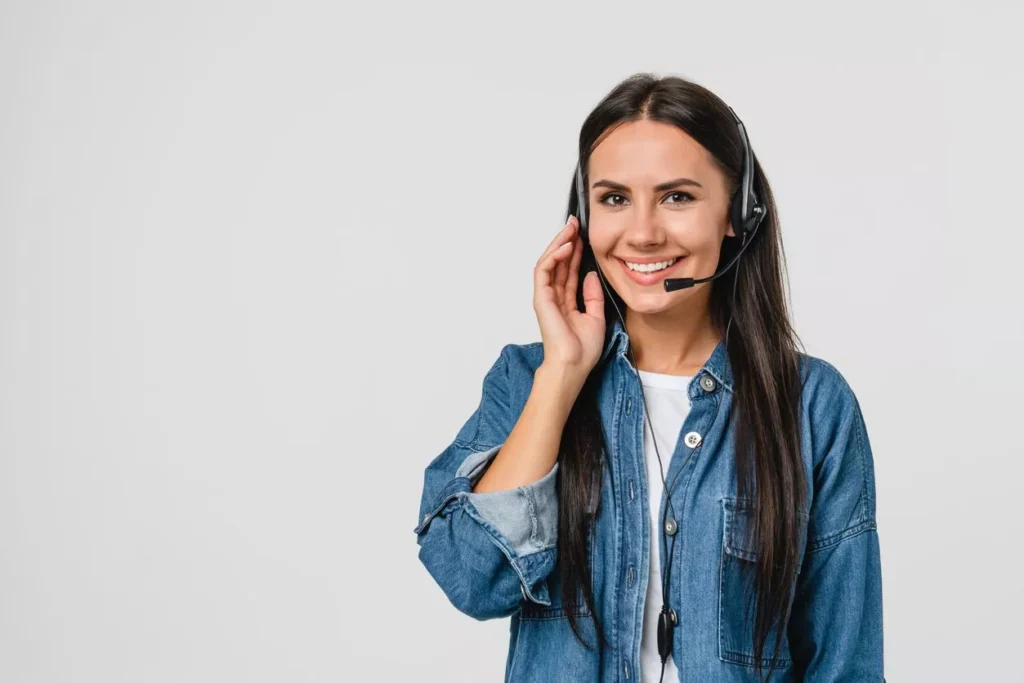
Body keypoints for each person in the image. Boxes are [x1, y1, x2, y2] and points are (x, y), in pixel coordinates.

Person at [413, 72, 884, 683]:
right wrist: (563, 373)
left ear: (737, 214)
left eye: (677, 197)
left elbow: (844, 662)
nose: (642, 233)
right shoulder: (528, 378)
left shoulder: (812, 405)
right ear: (583, 217)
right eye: (613, 199)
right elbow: (472, 578)